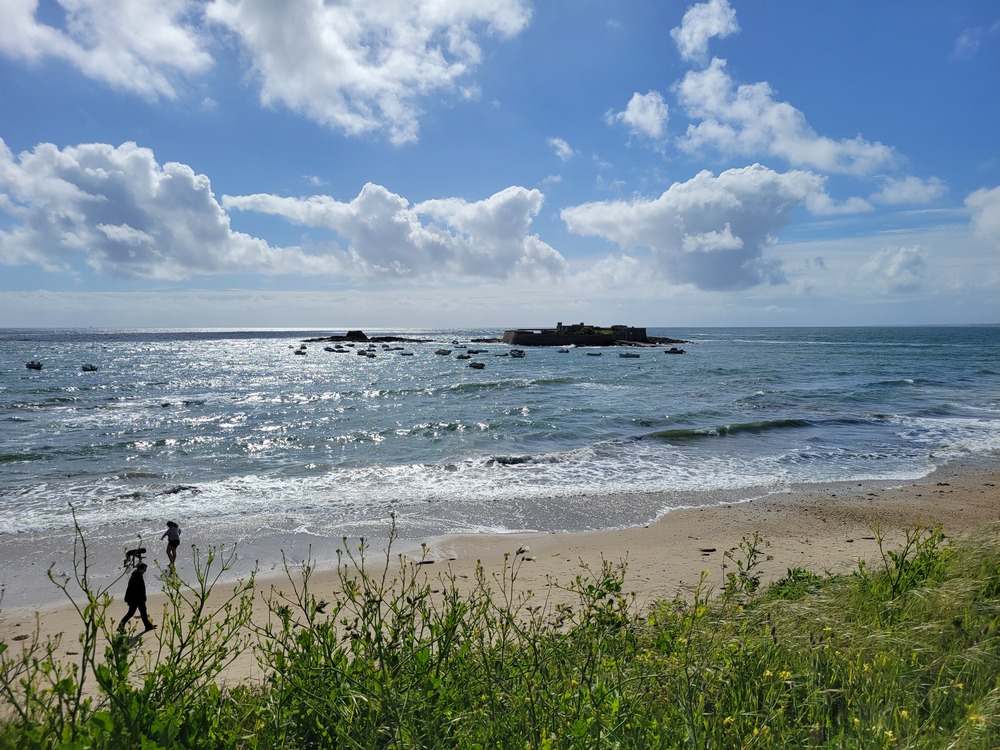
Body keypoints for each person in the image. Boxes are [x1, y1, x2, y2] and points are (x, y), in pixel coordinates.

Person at [118, 563, 156, 633]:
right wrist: (142, 598)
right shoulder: (136, 576)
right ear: (139, 569)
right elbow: (134, 589)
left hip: (136, 598)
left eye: (145, 570)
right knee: (137, 612)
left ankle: (147, 625)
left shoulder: (137, 575)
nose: (144, 571)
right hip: (136, 599)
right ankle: (147, 626)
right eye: (143, 569)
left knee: (136, 612)